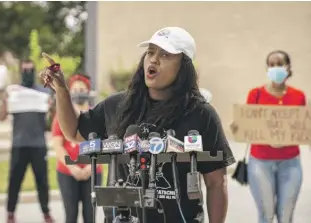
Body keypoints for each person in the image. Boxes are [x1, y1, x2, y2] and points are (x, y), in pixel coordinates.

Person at [40, 27, 236, 223]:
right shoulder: (117, 105)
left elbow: (216, 183)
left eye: (165, 55)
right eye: (150, 52)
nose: (154, 59)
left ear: (184, 66)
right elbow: (74, 131)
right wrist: (62, 90)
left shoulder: (201, 114)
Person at [231, 50, 305, 223]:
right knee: (266, 214)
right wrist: (238, 128)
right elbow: (247, 125)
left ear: (288, 67)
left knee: (286, 216)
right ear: (267, 68)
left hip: (290, 162)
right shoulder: (255, 95)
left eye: (280, 64)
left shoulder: (298, 96)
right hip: (260, 162)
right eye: (271, 65)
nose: (276, 68)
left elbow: (303, 127)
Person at [0, 59, 54, 223]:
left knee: (42, 181)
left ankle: (46, 213)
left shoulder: (43, 93)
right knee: (14, 180)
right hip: (19, 144)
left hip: (38, 145)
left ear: (34, 71)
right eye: (25, 70)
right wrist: (5, 100)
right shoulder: (14, 92)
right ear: (20, 72)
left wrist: (52, 105)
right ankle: (10, 213)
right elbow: (1, 117)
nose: (28, 73)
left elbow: (53, 119)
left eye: (30, 70)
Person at [51, 73, 102, 223]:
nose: (79, 93)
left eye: (82, 89)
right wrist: (73, 168)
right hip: (67, 173)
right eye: (75, 90)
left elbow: (104, 144)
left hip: (92, 172)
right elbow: (58, 145)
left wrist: (90, 167)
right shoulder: (62, 116)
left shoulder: (97, 115)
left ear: (88, 91)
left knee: (90, 215)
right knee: (70, 214)